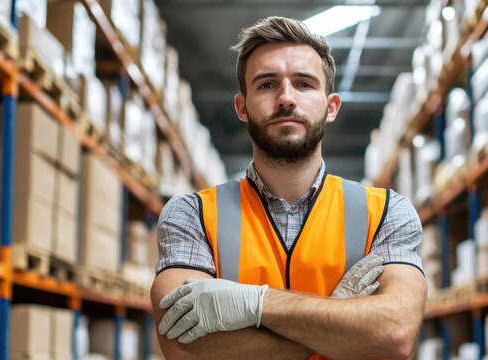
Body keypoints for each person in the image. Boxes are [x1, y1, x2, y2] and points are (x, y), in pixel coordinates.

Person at [150, 16, 427, 360]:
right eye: (266, 85)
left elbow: (395, 334)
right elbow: (184, 348)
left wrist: (256, 304)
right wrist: (339, 321)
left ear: (331, 107)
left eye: (304, 84)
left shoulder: (386, 211)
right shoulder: (192, 214)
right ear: (242, 107)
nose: (285, 98)